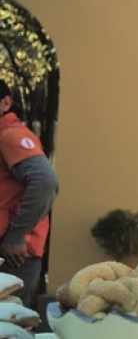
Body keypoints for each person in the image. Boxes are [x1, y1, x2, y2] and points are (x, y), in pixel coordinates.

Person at [0, 80, 58, 309]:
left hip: (12, 255)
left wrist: (16, 235)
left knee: (10, 325)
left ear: (5, 103)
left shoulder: (10, 135)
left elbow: (45, 182)